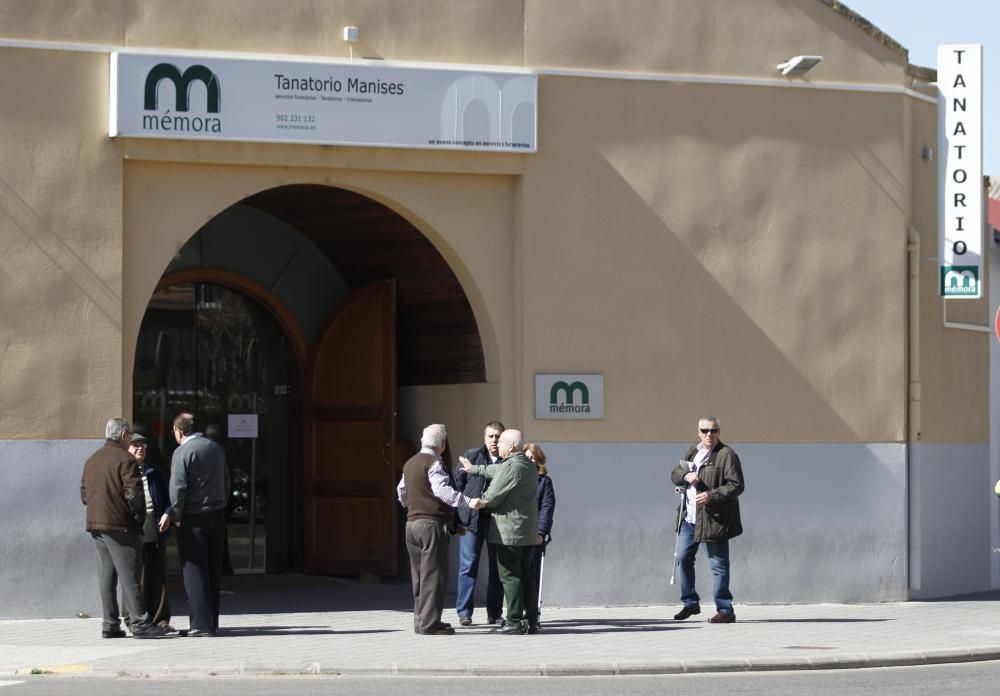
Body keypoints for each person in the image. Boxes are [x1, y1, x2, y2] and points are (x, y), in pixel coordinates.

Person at [80, 418, 170, 639]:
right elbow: (134, 494)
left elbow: (84, 494)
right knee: (131, 576)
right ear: (123, 436)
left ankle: (110, 624)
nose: (131, 438)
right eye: (129, 435)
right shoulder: (125, 459)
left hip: (96, 525)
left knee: (106, 577)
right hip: (121, 526)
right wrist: (138, 518)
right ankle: (140, 623)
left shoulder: (92, 460)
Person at [158, 412, 229, 637]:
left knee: (194, 572)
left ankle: (200, 624)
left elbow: (177, 489)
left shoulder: (182, 452)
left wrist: (174, 514)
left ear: (179, 431)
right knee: (213, 570)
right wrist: (220, 503)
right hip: (216, 514)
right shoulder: (215, 448)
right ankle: (212, 621)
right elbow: (226, 480)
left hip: (192, 516)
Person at [397, 423, 471, 635]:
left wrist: (414, 505)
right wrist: (467, 501)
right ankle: (431, 624)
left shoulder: (410, 463)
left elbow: (401, 492)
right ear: (442, 444)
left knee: (419, 576)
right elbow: (442, 491)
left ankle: (421, 622)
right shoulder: (434, 462)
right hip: (431, 525)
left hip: (411, 525)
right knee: (434, 575)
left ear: (423, 441)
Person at [670, 416, 745, 624]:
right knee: (683, 558)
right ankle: (690, 603)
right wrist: (685, 477)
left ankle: (725, 609)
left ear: (719, 432)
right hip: (689, 518)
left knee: (718, 566)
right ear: (698, 432)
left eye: (713, 431)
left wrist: (711, 495)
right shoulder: (692, 452)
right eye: (704, 431)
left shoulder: (727, 455)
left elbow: (736, 485)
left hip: (714, 519)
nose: (709, 435)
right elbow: (676, 471)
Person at [465, 429, 539, 635]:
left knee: (509, 575)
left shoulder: (512, 466)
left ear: (512, 446)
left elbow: (494, 494)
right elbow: (495, 471)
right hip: (526, 531)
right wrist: (475, 469)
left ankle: (514, 621)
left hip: (509, 531)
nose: (498, 445)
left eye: (503, 442)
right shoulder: (527, 464)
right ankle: (531, 619)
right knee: (527, 575)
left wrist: (481, 501)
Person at [453, 421, 505, 626]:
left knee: (497, 569)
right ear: (484, 438)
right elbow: (458, 485)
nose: (494, 440)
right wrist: (458, 517)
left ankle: (494, 612)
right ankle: (464, 612)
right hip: (472, 520)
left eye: (498, 436)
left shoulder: (507, 461)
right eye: (491, 436)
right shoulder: (472, 456)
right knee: (468, 566)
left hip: (497, 521)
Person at [122, 432, 173, 631]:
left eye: (142, 445)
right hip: (133, 532)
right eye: (135, 445)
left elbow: (168, 499)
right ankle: (134, 620)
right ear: (127, 448)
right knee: (135, 578)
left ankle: (160, 619)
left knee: (157, 577)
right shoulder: (124, 472)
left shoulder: (155, 473)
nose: (139, 449)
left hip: (155, 530)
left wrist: (168, 514)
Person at [524, 442, 555, 627]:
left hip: (534, 534)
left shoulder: (544, 482)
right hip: (517, 533)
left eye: (532, 458)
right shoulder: (516, 477)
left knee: (533, 575)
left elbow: (547, 508)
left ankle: (532, 615)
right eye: (526, 457)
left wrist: (541, 533)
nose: (529, 461)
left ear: (538, 461)